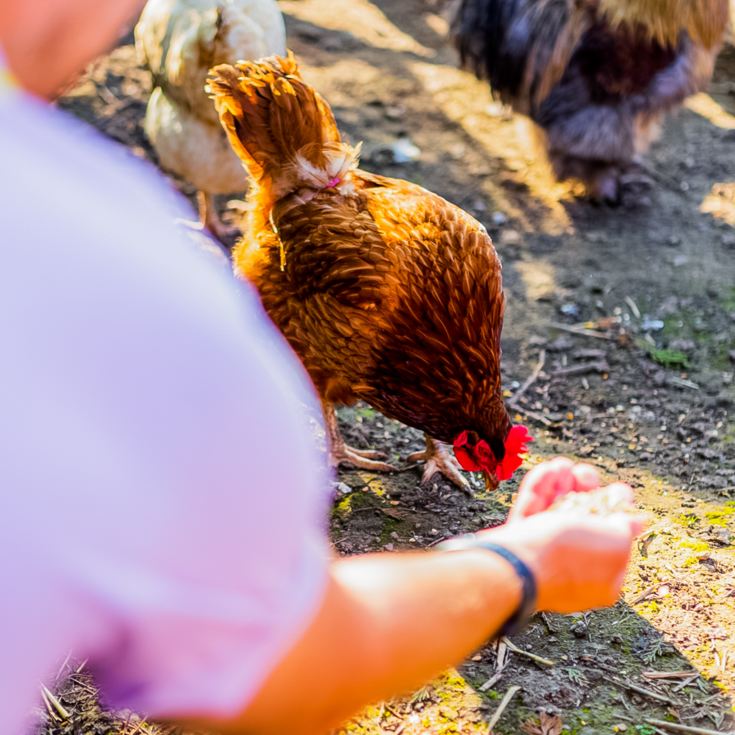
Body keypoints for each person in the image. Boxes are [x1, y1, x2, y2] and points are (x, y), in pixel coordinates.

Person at [0, 2, 646, 734]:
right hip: (312, 243)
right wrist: (523, 566)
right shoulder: (117, 258)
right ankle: (339, 431)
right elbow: (271, 665)